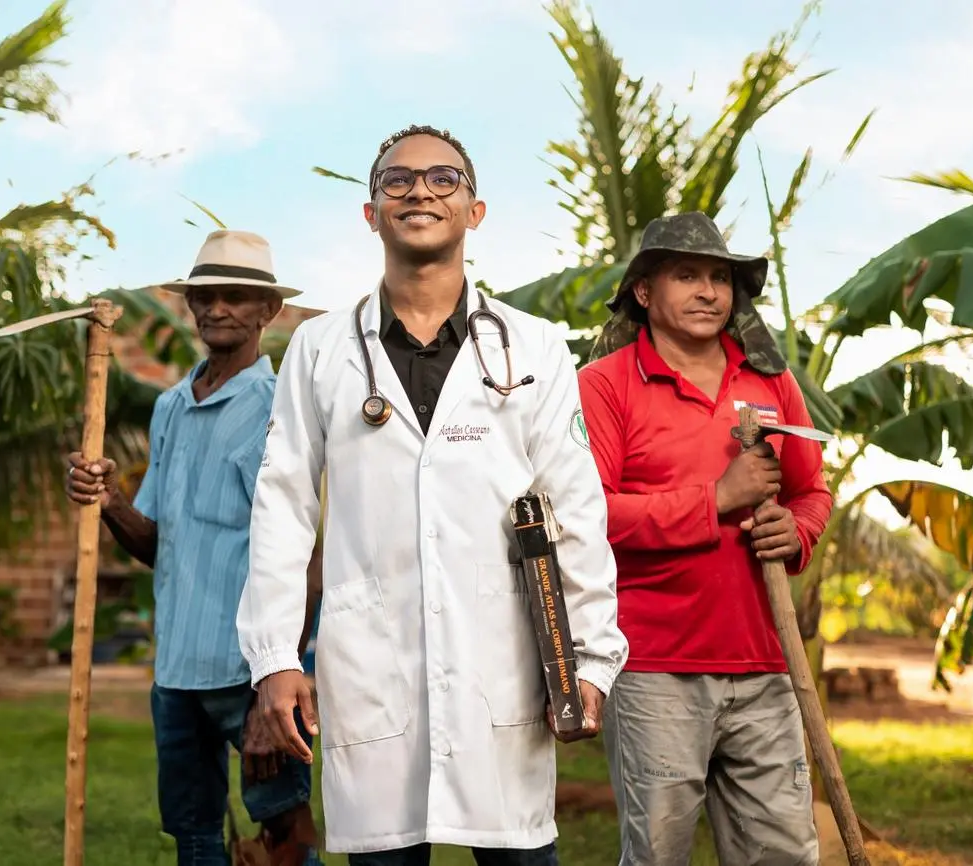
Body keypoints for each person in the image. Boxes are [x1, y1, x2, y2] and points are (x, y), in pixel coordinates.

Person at [234, 124, 629, 865]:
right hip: (370, 663)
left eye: (444, 179)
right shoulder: (320, 350)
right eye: (398, 180)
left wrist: (593, 658)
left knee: (519, 850)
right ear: (371, 212)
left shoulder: (533, 344)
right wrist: (275, 657)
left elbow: (576, 510)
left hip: (504, 662)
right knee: (384, 852)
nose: (420, 190)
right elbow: (284, 505)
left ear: (474, 211)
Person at [576, 211, 833, 866]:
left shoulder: (770, 381)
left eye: (719, 277)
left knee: (782, 856)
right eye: (685, 275)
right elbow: (588, 516)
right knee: (659, 855)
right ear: (643, 292)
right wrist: (716, 500)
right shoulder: (604, 386)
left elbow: (811, 493)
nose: (707, 291)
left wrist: (793, 531)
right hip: (654, 667)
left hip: (766, 664)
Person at [64, 230, 324, 866]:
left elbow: (309, 558)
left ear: (269, 310)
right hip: (176, 672)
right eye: (204, 296)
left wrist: (278, 681)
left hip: (249, 674)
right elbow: (163, 544)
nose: (216, 309)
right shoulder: (170, 407)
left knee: (286, 840)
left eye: (235, 297)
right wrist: (110, 502)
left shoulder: (279, 408)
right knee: (194, 836)